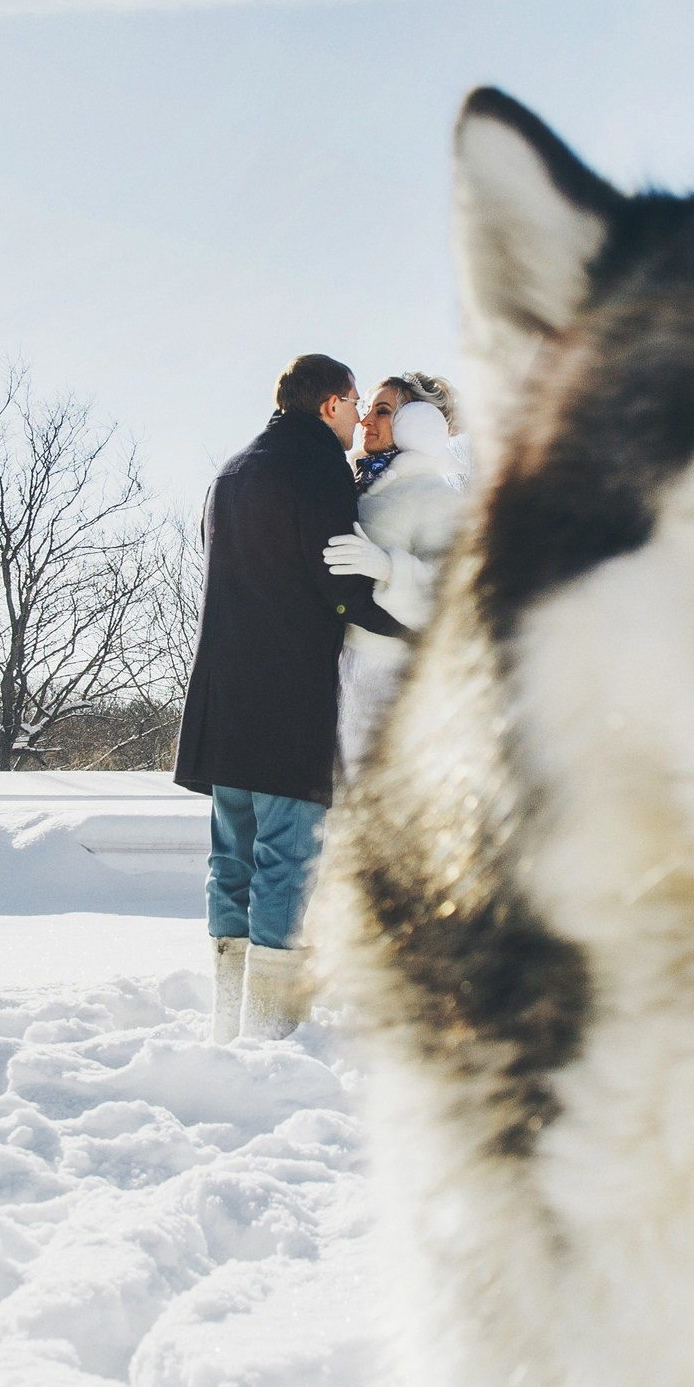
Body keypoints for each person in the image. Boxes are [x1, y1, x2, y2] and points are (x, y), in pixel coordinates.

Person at [174, 353, 406, 1042]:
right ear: (331, 402)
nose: (359, 417)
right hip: (286, 700)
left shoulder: (234, 469)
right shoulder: (315, 467)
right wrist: (421, 620)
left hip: (224, 699)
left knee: (231, 861)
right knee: (286, 859)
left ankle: (226, 1021)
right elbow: (342, 583)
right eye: (355, 402)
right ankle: (271, 1031)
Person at [327, 374, 468, 765]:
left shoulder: (437, 499)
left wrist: (389, 568)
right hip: (334, 673)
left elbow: (452, 597)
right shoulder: (350, 486)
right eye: (368, 408)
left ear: (418, 424)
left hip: (391, 680)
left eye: (383, 411)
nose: (364, 420)